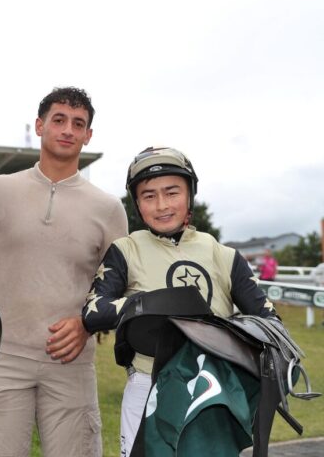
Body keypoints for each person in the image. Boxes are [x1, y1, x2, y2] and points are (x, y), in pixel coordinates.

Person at [0, 87, 128, 456]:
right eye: (59, 120)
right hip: (1, 354)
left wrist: (87, 324)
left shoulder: (109, 208)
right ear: (39, 126)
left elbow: (119, 288)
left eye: (78, 124)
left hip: (71, 359)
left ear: (88, 135)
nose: (68, 130)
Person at [81, 146, 276, 456]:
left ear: (190, 195)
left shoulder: (223, 255)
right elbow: (93, 312)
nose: (162, 205)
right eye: (149, 196)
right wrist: (155, 305)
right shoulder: (125, 250)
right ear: (137, 203)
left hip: (212, 389)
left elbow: (270, 322)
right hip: (146, 385)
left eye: (172, 193)